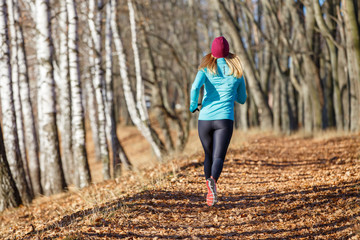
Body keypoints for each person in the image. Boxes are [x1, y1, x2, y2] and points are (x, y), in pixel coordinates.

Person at [189, 36, 247, 206]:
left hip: (205, 119)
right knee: (218, 157)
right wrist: (231, 93)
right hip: (225, 120)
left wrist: (193, 105)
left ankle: (209, 188)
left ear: (212, 52)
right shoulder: (237, 72)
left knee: (208, 155)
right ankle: (213, 181)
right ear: (228, 52)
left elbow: (194, 87)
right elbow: (242, 99)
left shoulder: (206, 69)